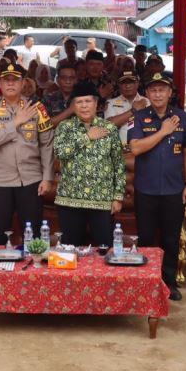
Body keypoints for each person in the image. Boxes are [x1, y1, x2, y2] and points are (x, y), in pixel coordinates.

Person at [128, 74, 186, 301]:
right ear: (147, 94)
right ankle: (148, 281)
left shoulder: (182, 117)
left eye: (162, 90)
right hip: (146, 189)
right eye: (153, 90)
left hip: (174, 189)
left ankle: (169, 282)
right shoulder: (138, 117)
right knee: (146, 238)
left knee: (171, 238)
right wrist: (163, 131)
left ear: (170, 93)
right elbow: (136, 148)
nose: (157, 94)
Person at [0, 63, 54, 246]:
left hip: (31, 179)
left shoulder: (37, 109)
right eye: (6, 80)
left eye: (15, 80)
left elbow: (46, 144)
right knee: (0, 231)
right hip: (0, 180)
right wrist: (16, 122)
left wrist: (47, 177)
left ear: (23, 83)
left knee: (34, 232)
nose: (10, 84)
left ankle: (34, 272)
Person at [52, 82, 125, 247]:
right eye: (79, 102)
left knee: (104, 248)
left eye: (88, 101)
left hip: (102, 199)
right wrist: (87, 137)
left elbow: (118, 164)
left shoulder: (109, 128)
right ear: (73, 106)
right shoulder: (65, 127)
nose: (84, 106)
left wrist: (118, 196)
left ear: (96, 103)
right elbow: (60, 153)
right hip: (69, 200)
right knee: (70, 249)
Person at [104, 71, 150, 145]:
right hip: (120, 150)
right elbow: (108, 126)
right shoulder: (111, 103)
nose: (127, 86)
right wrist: (133, 110)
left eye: (131, 82)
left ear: (137, 84)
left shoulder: (147, 101)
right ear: (119, 85)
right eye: (124, 83)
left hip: (143, 147)